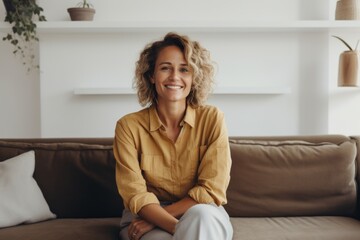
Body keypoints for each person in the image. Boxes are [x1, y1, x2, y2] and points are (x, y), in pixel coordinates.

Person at [113, 32, 233, 240]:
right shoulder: (128, 127)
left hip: (202, 213)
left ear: (194, 77)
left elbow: (212, 189)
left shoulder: (213, 119)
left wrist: (167, 222)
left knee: (202, 217)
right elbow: (135, 194)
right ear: (152, 75)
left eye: (184, 69)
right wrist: (172, 226)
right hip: (144, 216)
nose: (174, 77)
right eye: (165, 68)